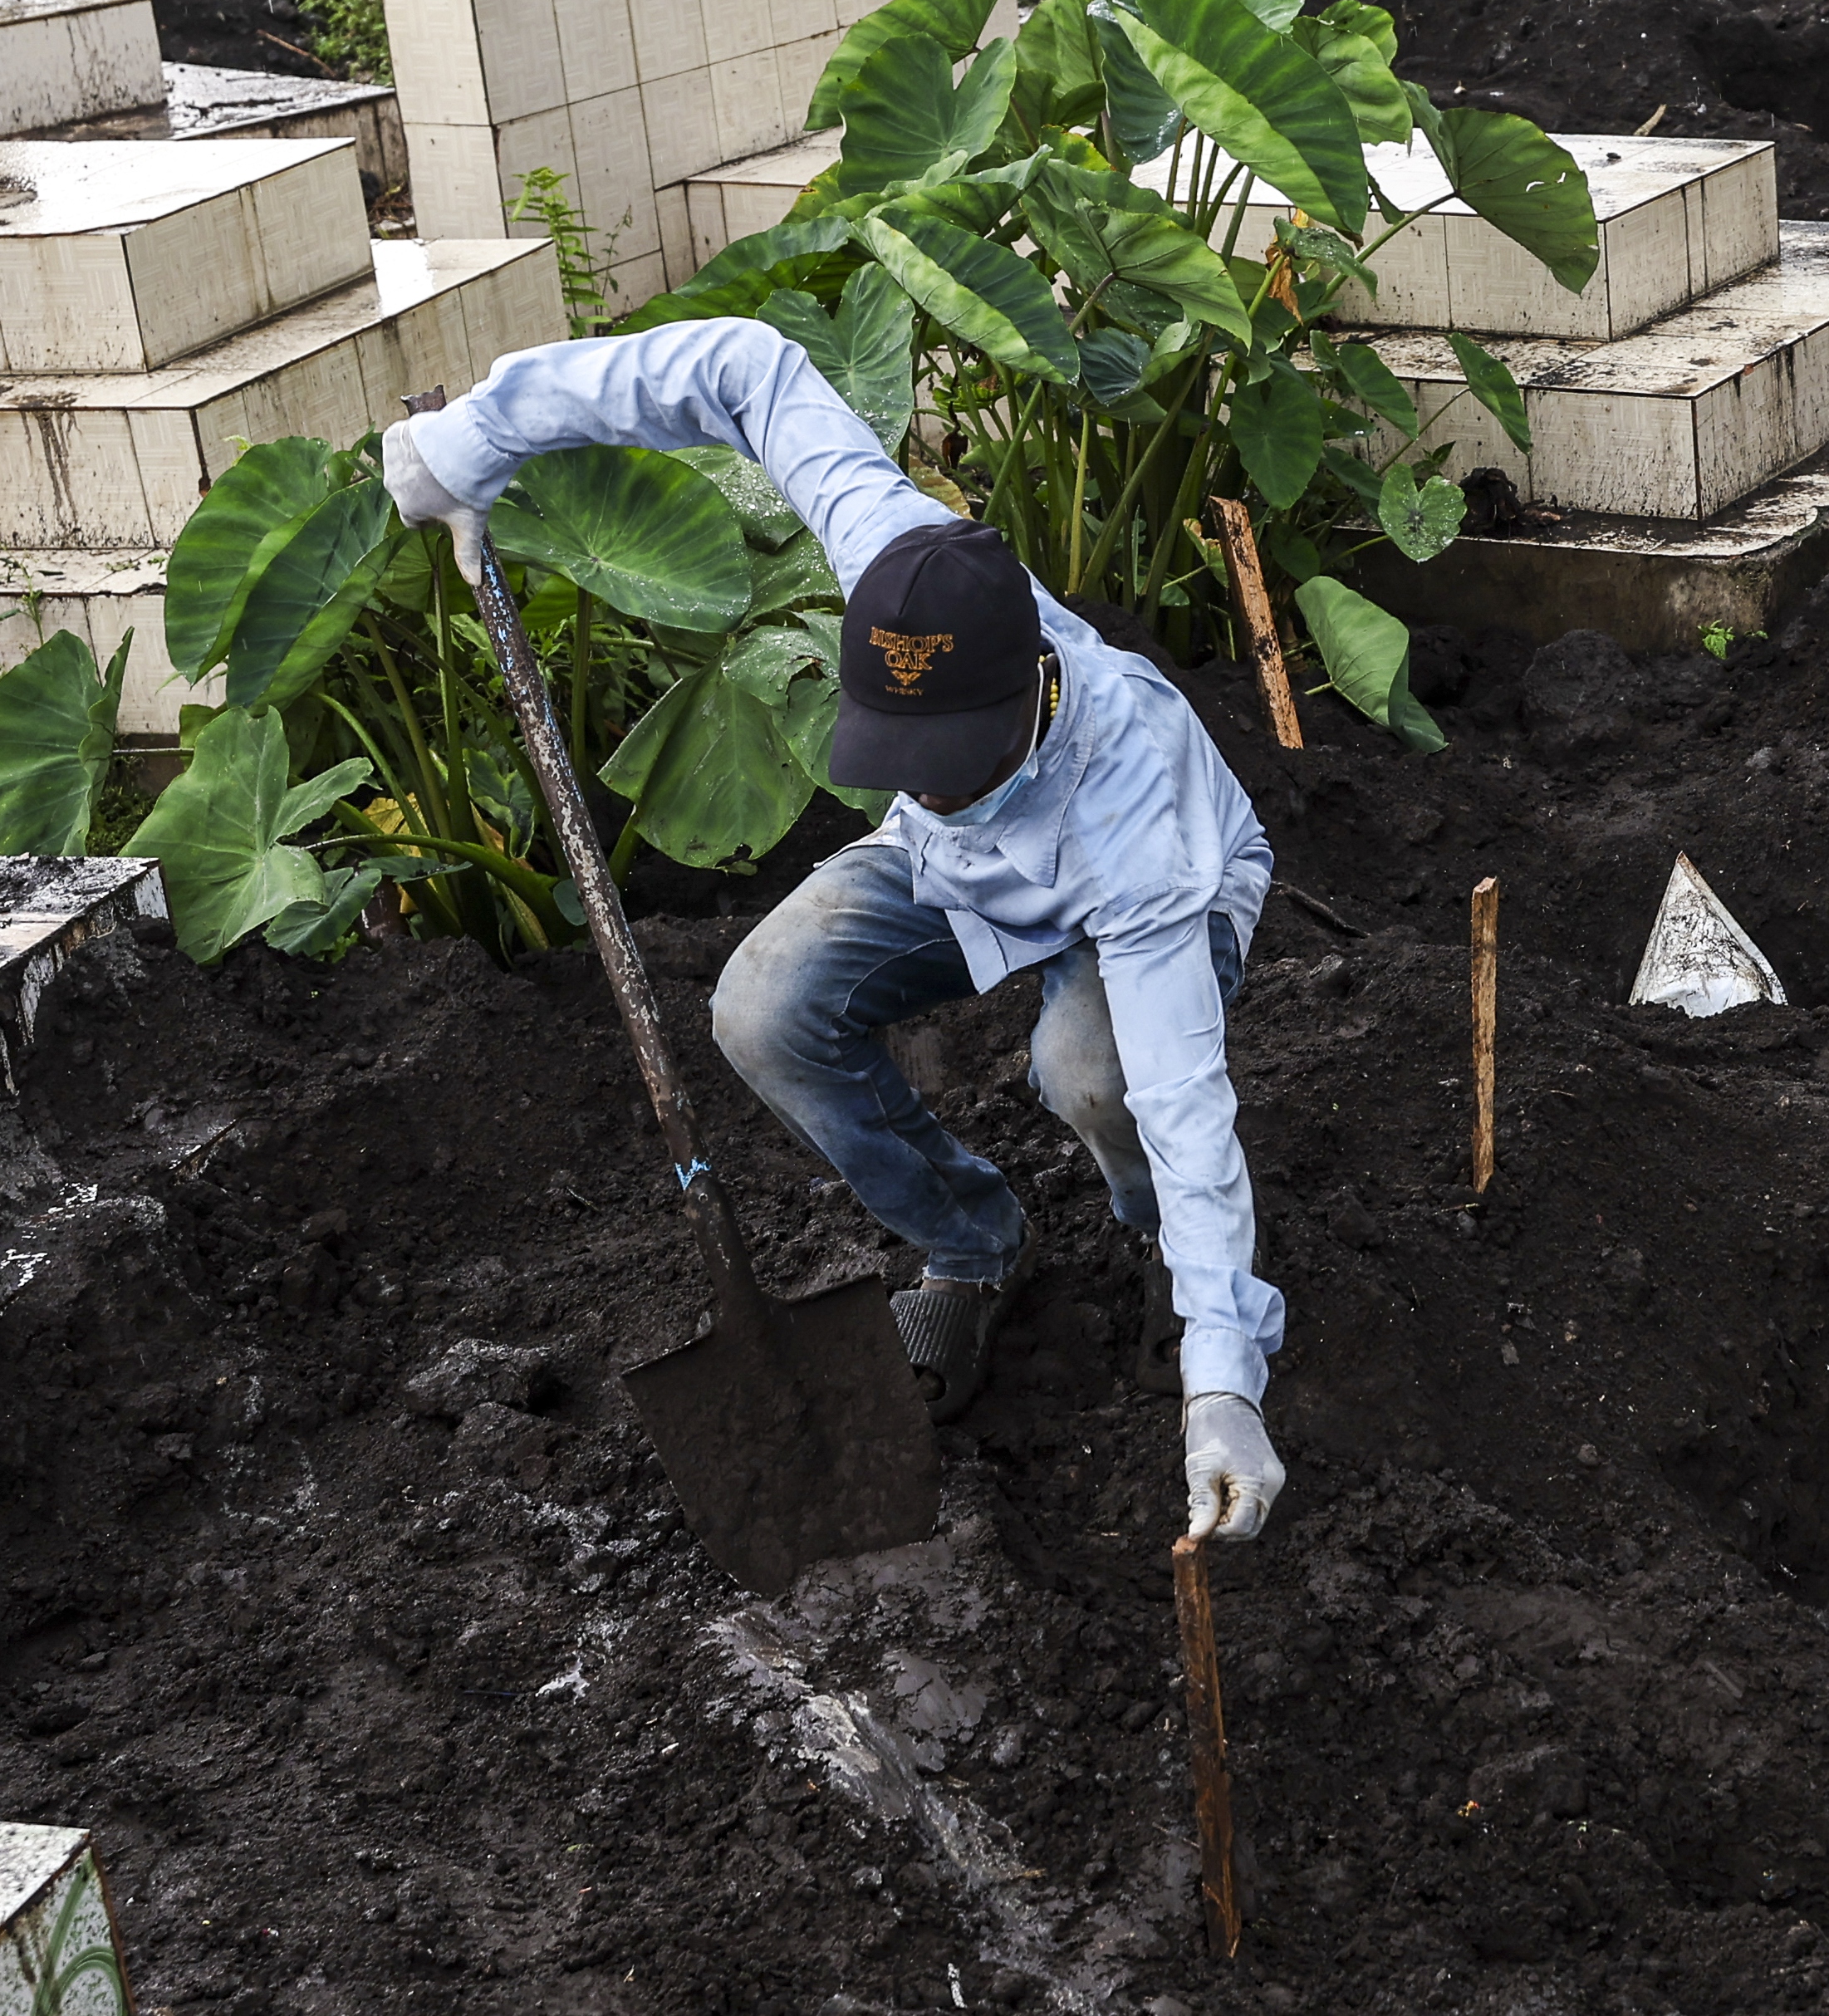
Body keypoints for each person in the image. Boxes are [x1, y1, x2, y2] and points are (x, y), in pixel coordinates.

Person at [385, 318, 1292, 1543]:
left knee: (1100, 1076)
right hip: (954, 872)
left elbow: (1189, 1105)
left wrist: (1224, 1381)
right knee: (761, 1011)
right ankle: (970, 1245)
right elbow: (743, 368)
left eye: (943, 763)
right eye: (899, 758)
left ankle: (1155, 1264)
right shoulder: (905, 570)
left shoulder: (1135, 818)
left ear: (1023, 696)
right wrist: (483, 431)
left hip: (1143, 881)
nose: (917, 778)